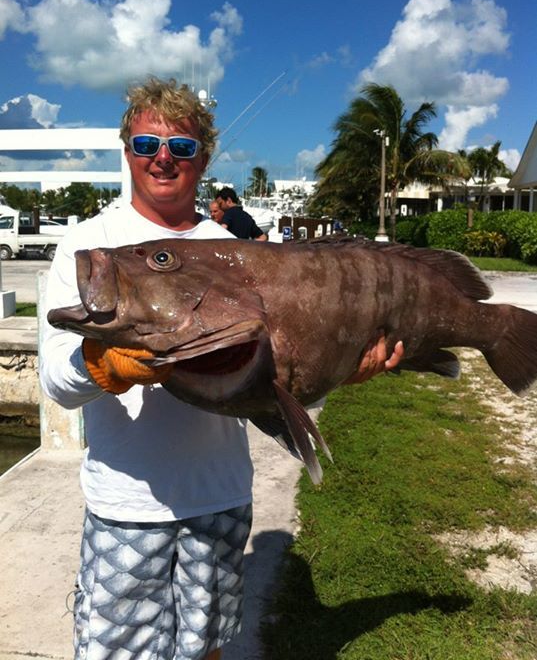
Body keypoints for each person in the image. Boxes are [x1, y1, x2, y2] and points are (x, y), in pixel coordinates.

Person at [40, 77, 403, 660]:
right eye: (145, 144)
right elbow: (55, 382)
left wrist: (342, 368)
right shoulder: (90, 246)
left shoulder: (226, 246)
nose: (162, 158)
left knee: (207, 649)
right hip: (126, 507)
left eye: (180, 148)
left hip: (219, 497)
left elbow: (277, 372)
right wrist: (102, 363)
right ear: (126, 149)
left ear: (202, 160)